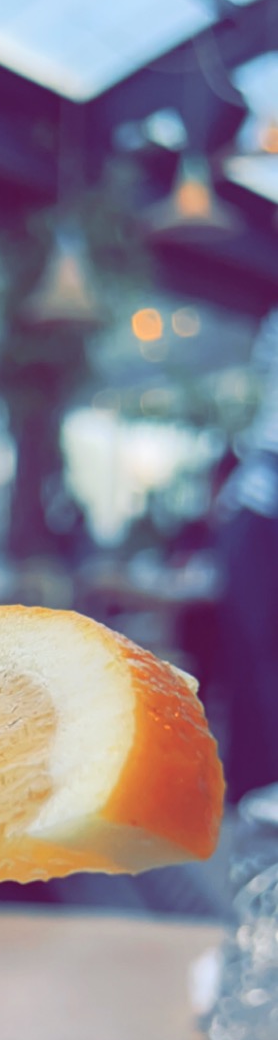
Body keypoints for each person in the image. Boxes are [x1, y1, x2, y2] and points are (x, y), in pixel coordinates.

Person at [217, 309, 278, 802]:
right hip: (261, 505)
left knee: (258, 656)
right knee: (257, 657)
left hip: (256, 505)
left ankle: (254, 788)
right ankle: (257, 789)